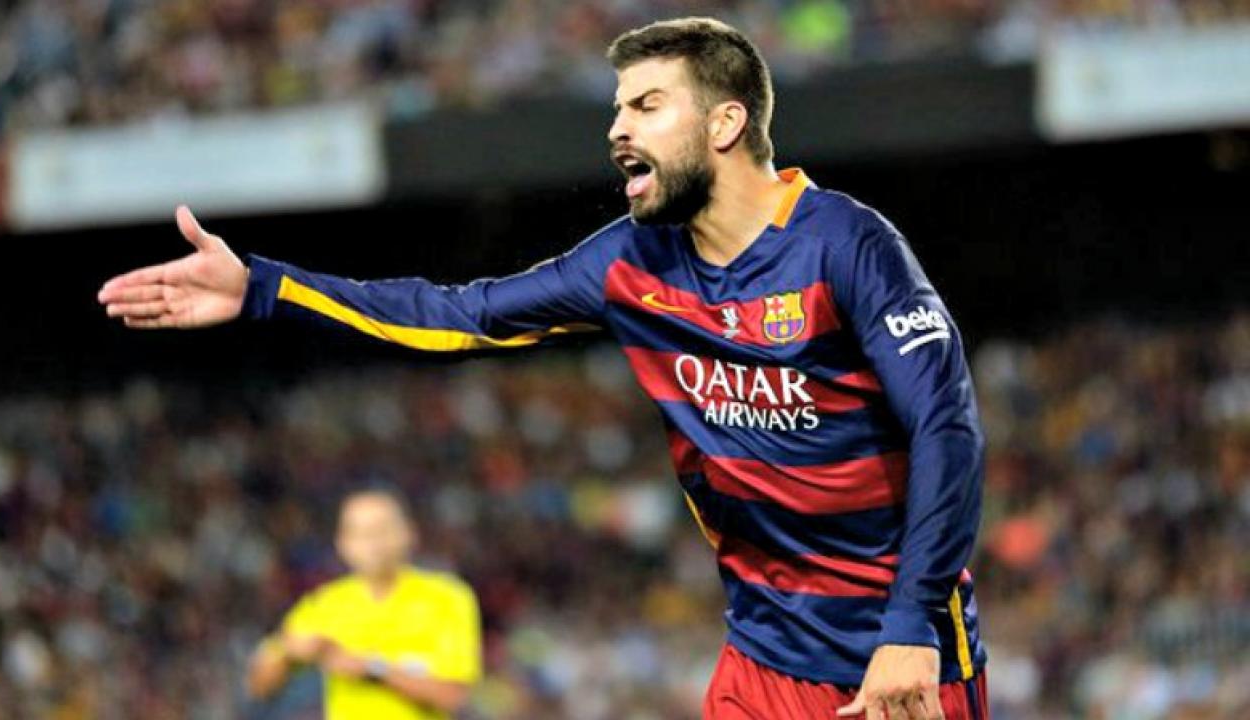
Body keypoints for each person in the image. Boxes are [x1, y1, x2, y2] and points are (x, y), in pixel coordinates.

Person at [98, 16, 987, 720]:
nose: (617, 129)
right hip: (759, 660)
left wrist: (910, 624)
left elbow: (945, 426)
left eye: (646, 105)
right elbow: (462, 315)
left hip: (900, 659)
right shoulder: (630, 260)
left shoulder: (846, 245)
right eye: (617, 109)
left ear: (725, 123)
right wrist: (266, 286)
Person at [245, 488, 481, 719]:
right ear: (342, 543)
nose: (372, 543)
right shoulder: (326, 604)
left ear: (408, 533)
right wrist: (287, 654)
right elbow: (258, 686)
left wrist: (371, 668)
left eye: (381, 530)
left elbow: (453, 696)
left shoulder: (446, 598)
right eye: (359, 533)